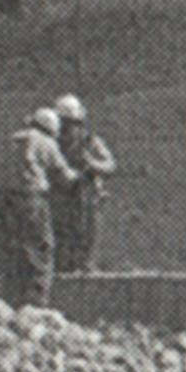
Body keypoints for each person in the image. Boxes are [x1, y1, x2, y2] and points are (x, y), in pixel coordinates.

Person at [0, 105, 79, 308]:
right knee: (41, 247)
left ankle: (9, 298)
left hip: (5, 199)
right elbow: (63, 174)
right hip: (31, 198)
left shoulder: (14, 139)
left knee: (12, 247)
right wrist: (79, 176)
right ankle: (36, 303)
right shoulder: (45, 142)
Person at [50, 94, 118, 274]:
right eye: (64, 124)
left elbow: (110, 165)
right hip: (61, 195)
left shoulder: (90, 142)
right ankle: (64, 267)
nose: (68, 130)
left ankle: (86, 266)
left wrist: (91, 164)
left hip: (87, 194)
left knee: (88, 232)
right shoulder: (53, 143)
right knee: (61, 233)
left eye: (72, 124)